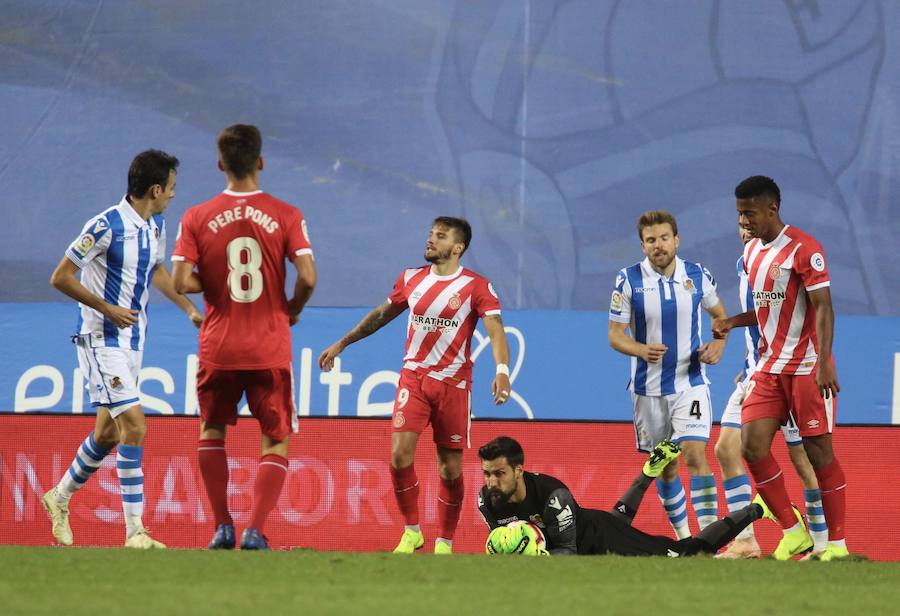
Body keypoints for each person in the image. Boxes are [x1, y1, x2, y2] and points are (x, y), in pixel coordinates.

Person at [319, 216, 511, 555]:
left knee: (449, 468)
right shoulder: (411, 279)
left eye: (440, 236)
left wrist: (502, 370)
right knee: (398, 455)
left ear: (458, 247)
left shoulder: (476, 286)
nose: (431, 240)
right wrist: (343, 343)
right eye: (430, 234)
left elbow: (495, 328)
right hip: (415, 379)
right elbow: (380, 315)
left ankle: (444, 543)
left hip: (453, 385)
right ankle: (412, 531)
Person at [41, 150, 202, 549]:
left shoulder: (156, 224)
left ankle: (58, 497)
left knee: (108, 433)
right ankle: (135, 532)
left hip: (133, 341)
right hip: (100, 339)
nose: (173, 196)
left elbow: (157, 271)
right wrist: (106, 307)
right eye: (171, 189)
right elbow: (60, 277)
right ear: (154, 189)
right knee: (135, 425)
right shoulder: (104, 226)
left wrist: (187, 308)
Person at [171, 124, 317, 550]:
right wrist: (293, 308)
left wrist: (212, 283)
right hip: (269, 344)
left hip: (218, 345)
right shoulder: (287, 213)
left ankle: (221, 526)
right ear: (260, 162)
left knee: (211, 428)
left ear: (220, 165)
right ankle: (255, 529)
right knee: (275, 437)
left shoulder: (196, 216)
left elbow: (180, 279)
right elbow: (307, 276)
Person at [712, 175, 848, 561]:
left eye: (750, 213)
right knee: (752, 448)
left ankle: (836, 546)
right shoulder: (753, 252)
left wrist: (824, 362)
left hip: (807, 367)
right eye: (740, 214)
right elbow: (769, 309)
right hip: (769, 368)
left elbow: (823, 306)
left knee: (817, 454)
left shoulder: (805, 249)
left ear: (772, 208)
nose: (744, 221)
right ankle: (794, 533)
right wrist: (731, 323)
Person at [608, 210, 727, 539]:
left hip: (690, 383)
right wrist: (640, 349)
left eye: (663, 238)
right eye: (650, 240)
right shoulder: (628, 279)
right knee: (666, 465)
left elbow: (720, 317)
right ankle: (684, 538)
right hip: (648, 389)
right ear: (642, 245)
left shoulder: (697, 275)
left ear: (676, 240)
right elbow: (615, 335)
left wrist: (719, 343)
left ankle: (707, 538)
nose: (658, 245)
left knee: (693, 452)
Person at [478, 436, 763, 556]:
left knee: (685, 553)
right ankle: (648, 472)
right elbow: (504, 545)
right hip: (591, 529)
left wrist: (537, 556)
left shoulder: (554, 496)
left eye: (499, 474)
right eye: (487, 474)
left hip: (599, 539)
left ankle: (756, 508)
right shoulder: (486, 500)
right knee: (617, 520)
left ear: (518, 470)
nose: (491, 482)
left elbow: (567, 555)